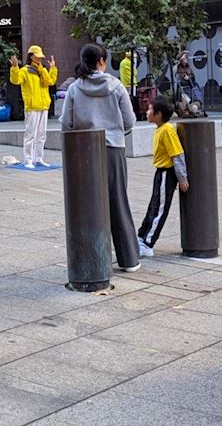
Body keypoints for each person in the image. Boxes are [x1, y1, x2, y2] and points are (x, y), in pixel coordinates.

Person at [60, 43, 140, 273]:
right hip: (113, 150)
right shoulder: (116, 86)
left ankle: (93, 259)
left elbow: (66, 123)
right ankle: (129, 259)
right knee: (118, 202)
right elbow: (129, 120)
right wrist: (117, 131)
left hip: (84, 152)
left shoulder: (75, 88)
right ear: (102, 61)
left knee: (88, 205)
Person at [136, 95, 187, 257]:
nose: (147, 112)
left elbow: (177, 155)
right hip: (161, 173)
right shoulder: (160, 129)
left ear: (158, 114)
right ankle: (142, 236)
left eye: (150, 109)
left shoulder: (167, 130)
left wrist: (182, 178)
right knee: (154, 205)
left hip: (167, 173)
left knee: (159, 208)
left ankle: (148, 242)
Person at [10, 46, 58, 169]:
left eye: (40, 56)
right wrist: (14, 67)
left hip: (43, 105)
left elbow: (50, 81)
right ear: (31, 56)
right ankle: (28, 159)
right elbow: (15, 80)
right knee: (30, 134)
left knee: (41, 134)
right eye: (37, 56)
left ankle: (38, 158)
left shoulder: (43, 70)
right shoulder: (25, 71)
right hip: (32, 106)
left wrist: (53, 68)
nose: (39, 59)